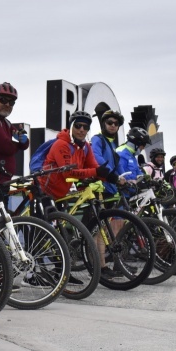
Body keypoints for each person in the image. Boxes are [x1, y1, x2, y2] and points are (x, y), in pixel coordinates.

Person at [39, 110, 121, 280]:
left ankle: (60, 272)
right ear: (71, 126)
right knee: (42, 232)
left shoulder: (85, 147)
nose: (82, 129)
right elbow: (68, 172)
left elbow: (94, 166)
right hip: (44, 192)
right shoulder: (61, 145)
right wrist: (96, 171)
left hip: (61, 194)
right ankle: (33, 273)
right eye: (78, 125)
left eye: (86, 126)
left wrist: (112, 177)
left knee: (60, 235)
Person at [91, 109, 125, 197]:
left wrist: (126, 179)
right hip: (100, 187)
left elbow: (118, 164)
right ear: (104, 124)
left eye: (116, 124)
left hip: (112, 187)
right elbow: (96, 156)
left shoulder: (113, 144)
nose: (113, 125)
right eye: (110, 122)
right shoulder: (97, 139)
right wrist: (112, 174)